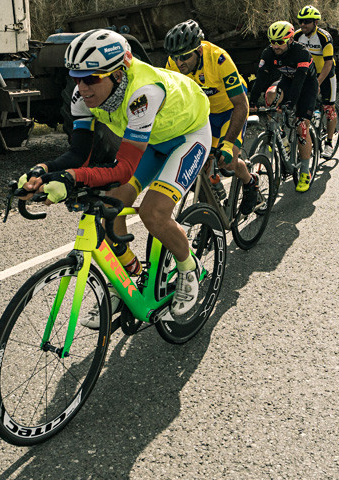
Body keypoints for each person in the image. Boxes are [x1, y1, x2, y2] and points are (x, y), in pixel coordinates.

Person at [18, 29, 212, 324]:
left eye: (91, 78)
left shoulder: (143, 93)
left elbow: (122, 168)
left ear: (119, 74)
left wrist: (71, 178)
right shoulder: (83, 94)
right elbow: (78, 154)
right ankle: (127, 279)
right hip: (151, 142)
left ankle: (189, 268)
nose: (82, 88)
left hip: (188, 136)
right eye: (76, 78)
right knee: (110, 206)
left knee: (153, 212)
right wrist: (42, 172)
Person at [162, 19, 260, 216]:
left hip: (229, 111)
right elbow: (173, 103)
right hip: (203, 115)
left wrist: (228, 143)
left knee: (228, 161)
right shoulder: (173, 64)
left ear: (198, 51)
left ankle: (251, 183)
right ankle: (209, 223)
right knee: (200, 166)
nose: (180, 62)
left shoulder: (219, 59)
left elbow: (241, 105)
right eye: (176, 57)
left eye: (185, 56)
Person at [248, 21, 317, 193]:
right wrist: (252, 101)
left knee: (302, 127)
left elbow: (300, 82)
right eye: (272, 41)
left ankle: (305, 172)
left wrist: (290, 104)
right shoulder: (269, 53)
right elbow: (261, 79)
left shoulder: (301, 52)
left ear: (290, 39)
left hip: (307, 85)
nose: (275, 45)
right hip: (287, 81)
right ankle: (281, 136)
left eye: (279, 42)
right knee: (270, 94)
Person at [294, 5, 338, 146]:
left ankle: (329, 143)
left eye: (306, 21)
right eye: (300, 21)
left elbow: (328, 63)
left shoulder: (324, 37)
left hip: (325, 74)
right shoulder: (296, 36)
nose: (302, 25)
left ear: (315, 23)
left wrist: (317, 83)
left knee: (329, 108)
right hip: (308, 74)